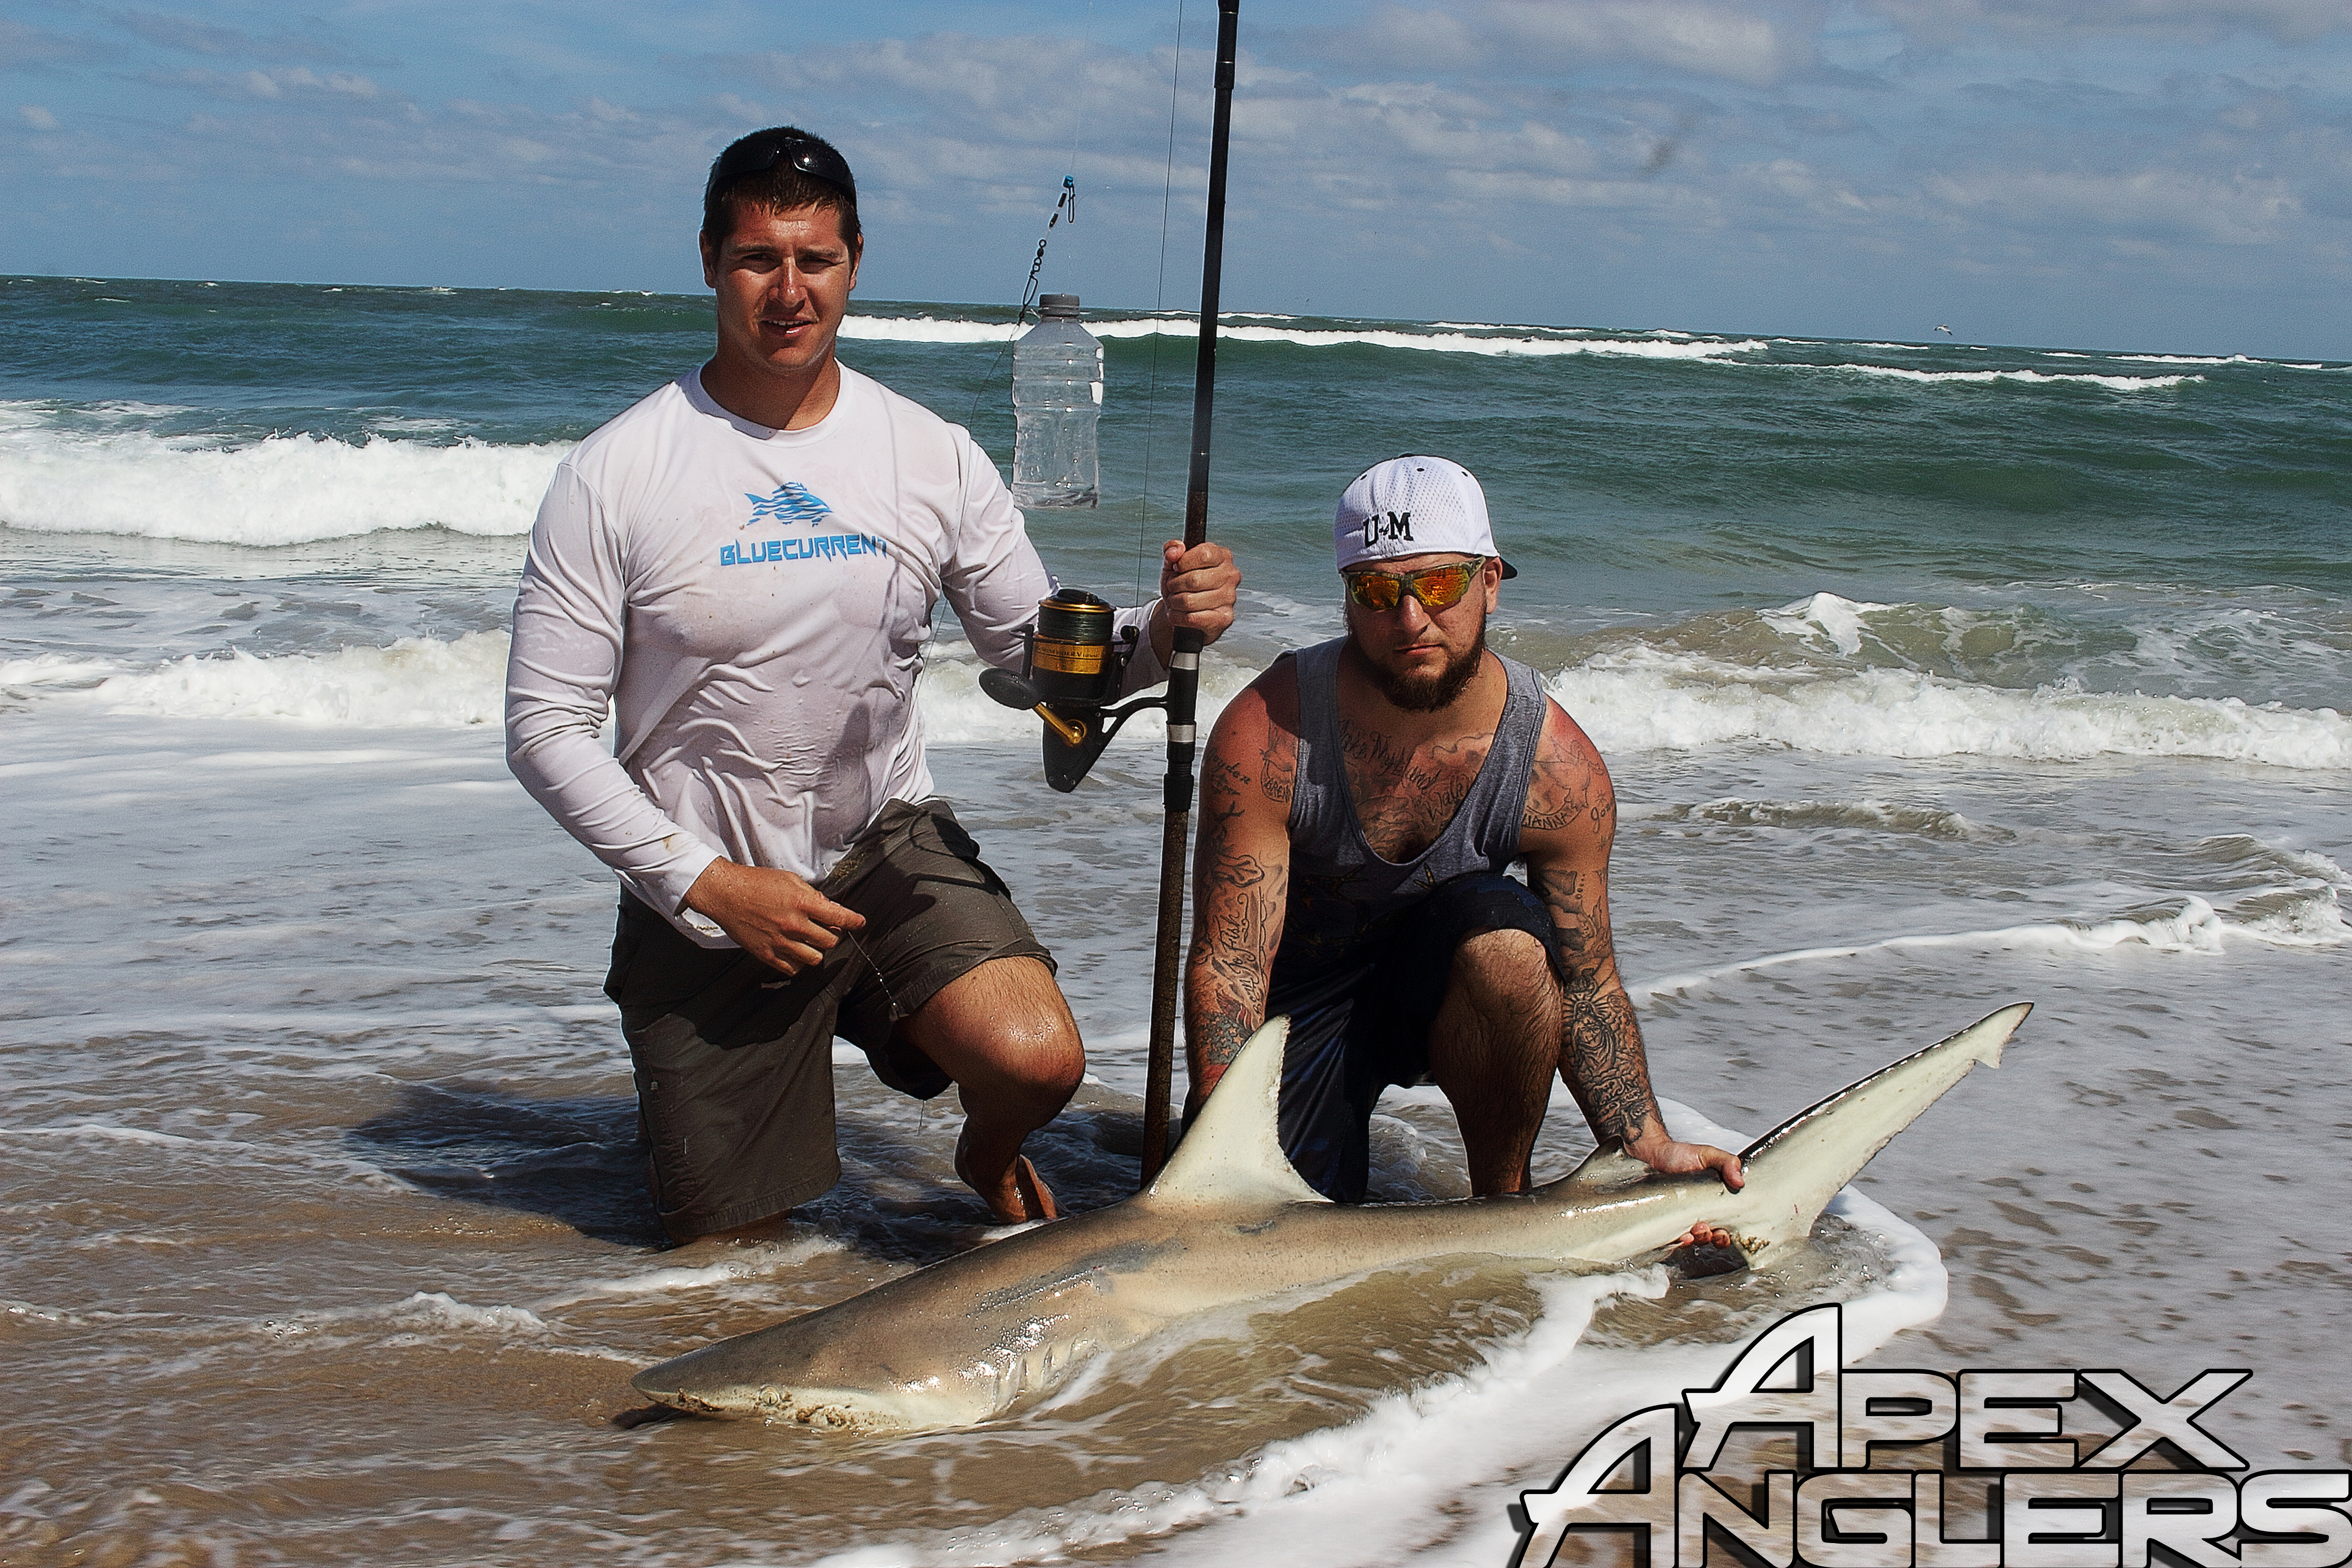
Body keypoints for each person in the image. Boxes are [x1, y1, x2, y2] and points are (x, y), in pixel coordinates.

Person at [506, 126, 1240, 1241]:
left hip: (884, 845)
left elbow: (1035, 661)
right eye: (759, 259)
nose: (789, 291)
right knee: (734, 1263)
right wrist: (707, 883)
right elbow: (545, 730)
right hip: (711, 890)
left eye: (817, 260)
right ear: (710, 262)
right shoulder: (614, 474)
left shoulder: (929, 453)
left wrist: (1163, 627)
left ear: (855, 264)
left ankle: (983, 1148)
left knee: (1038, 1062)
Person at [1183, 455, 1741, 1213]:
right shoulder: (1268, 734)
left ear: (1490, 583)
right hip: (1298, 1009)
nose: (1411, 619)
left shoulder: (1555, 768)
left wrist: (1643, 1141)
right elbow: (1232, 966)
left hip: (1450, 992)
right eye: (1377, 591)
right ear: (1347, 599)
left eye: (1440, 585)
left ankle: (1500, 1206)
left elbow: (1587, 981)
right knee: (1272, 1232)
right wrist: (1222, 1146)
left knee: (1511, 947)